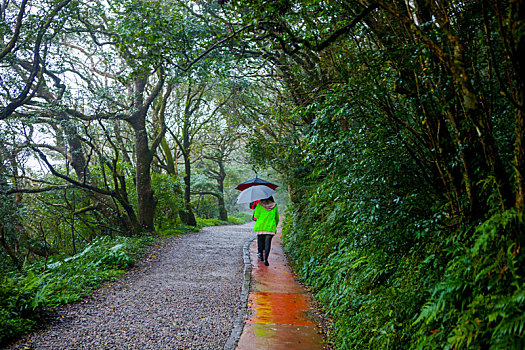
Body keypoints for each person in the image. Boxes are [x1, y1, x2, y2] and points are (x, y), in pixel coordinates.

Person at [253, 196, 279, 266]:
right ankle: (266, 260)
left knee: (260, 241)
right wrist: (274, 225)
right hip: (270, 227)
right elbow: (276, 218)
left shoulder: (259, 204)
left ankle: (260, 254)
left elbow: (256, 216)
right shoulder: (274, 206)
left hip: (261, 226)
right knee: (268, 243)